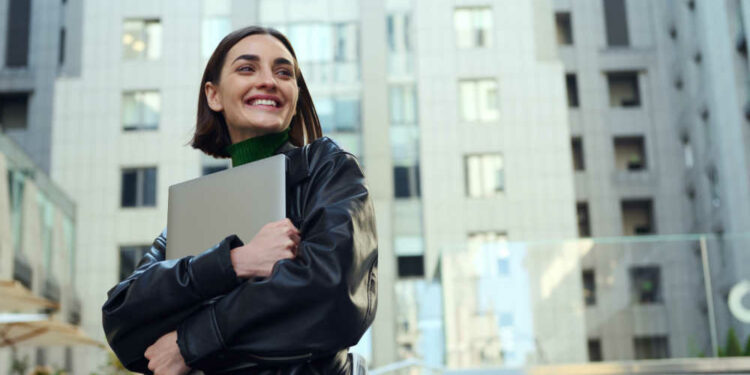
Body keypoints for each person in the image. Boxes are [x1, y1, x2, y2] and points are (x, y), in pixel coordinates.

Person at [102, 26, 378, 375]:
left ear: (294, 98)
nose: (268, 81)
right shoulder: (196, 206)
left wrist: (189, 343)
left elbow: (334, 298)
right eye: (247, 68)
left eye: (283, 72)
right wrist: (235, 261)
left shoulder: (327, 170)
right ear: (213, 95)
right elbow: (122, 317)